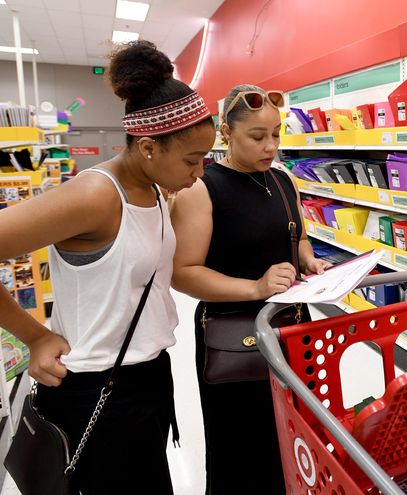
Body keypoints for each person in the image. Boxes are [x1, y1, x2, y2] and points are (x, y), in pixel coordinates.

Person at [0, 40, 215, 493]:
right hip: (96, 389)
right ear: (151, 148)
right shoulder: (96, 195)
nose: (200, 173)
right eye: (193, 160)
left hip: (147, 376)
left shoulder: (156, 190)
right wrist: (35, 336)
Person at [170, 84, 331, 493]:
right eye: (257, 137)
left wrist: (310, 261)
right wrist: (255, 286)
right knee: (241, 447)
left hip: (292, 329)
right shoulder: (201, 188)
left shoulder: (282, 181)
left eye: (276, 134)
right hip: (234, 336)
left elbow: (297, 237)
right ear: (226, 132)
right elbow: (183, 272)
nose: (270, 147)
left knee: (292, 436)